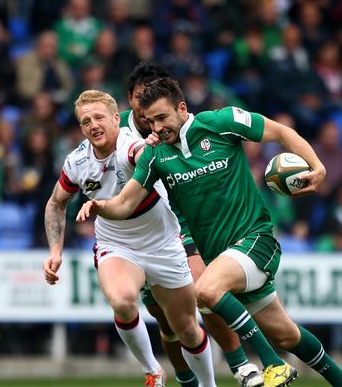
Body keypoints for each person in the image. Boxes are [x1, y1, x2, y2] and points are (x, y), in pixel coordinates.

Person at [78, 77, 342, 387]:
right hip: (222, 256)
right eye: (150, 122)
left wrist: (317, 166)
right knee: (286, 333)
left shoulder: (221, 121)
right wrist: (100, 206)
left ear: (182, 108)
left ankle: (272, 364)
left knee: (204, 291)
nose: (157, 127)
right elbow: (124, 203)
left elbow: (281, 132)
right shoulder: (154, 156)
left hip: (256, 239)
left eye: (162, 118)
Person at [42, 90, 217, 387]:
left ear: (115, 118)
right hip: (117, 244)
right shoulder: (77, 161)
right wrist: (55, 251)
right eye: (85, 121)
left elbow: (140, 153)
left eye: (99, 117)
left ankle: (208, 385)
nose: (93, 125)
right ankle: (153, 371)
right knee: (122, 301)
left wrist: (148, 148)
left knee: (186, 328)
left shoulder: (131, 146)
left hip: (163, 242)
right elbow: (55, 203)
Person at [123, 61, 262, 387]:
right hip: (142, 234)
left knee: (204, 291)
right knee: (167, 322)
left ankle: (240, 365)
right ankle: (187, 381)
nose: (148, 108)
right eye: (141, 97)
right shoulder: (123, 135)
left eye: (154, 98)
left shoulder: (178, 126)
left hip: (180, 224)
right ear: (130, 99)